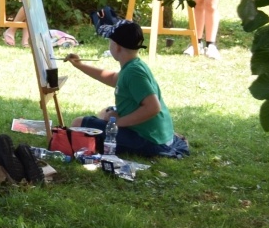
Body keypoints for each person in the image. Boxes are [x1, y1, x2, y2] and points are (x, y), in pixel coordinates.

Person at [67, 20, 190, 157]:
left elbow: (153, 107)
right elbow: (112, 78)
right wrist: (80, 65)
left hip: (150, 142)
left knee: (78, 123)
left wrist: (118, 123)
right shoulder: (134, 65)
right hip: (156, 136)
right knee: (105, 112)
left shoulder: (133, 72)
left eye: (110, 41)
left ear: (117, 47)